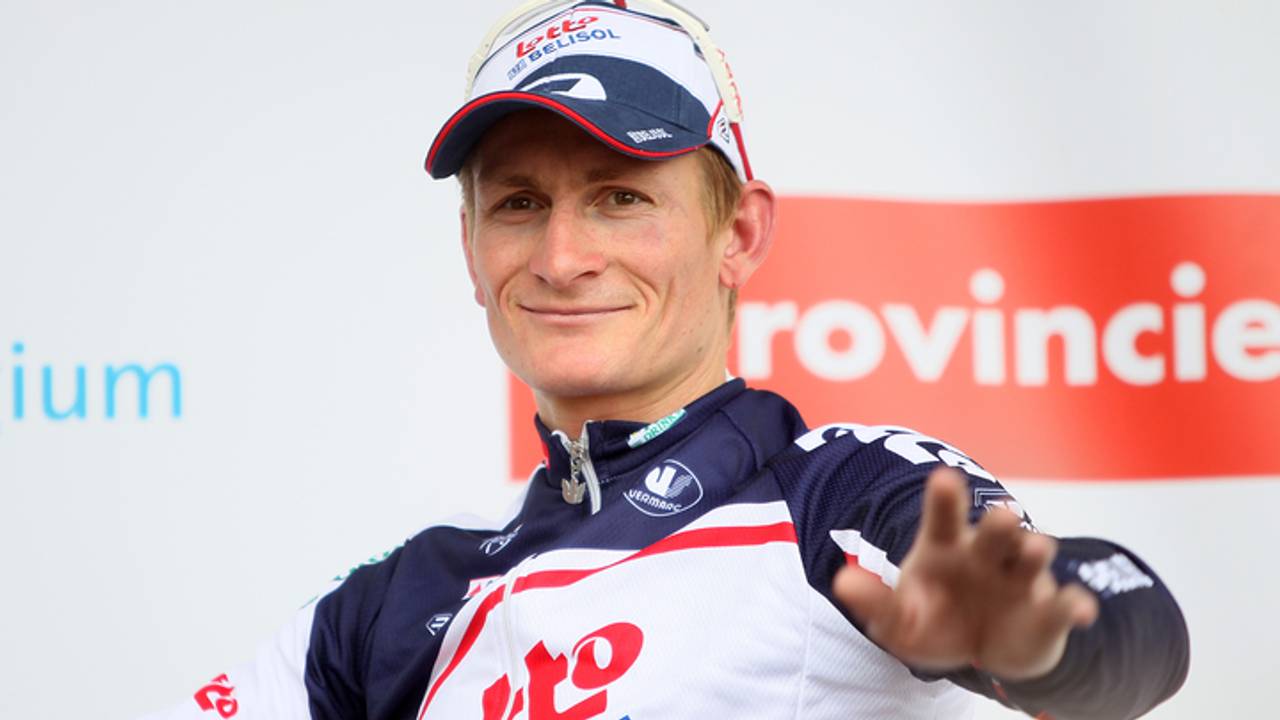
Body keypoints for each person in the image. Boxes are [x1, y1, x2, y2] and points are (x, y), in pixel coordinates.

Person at [144, 1, 1189, 718]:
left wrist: (1033, 636)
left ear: (739, 234)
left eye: (621, 196)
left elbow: (1134, 629)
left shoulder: (837, 493)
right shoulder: (394, 603)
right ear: (471, 249)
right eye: (519, 203)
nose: (561, 257)